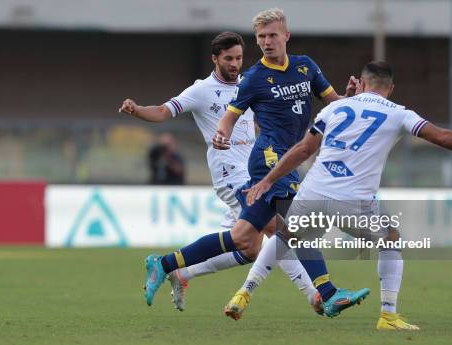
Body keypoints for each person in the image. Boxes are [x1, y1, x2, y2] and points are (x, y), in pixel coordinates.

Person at [240, 61, 452, 329]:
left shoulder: (336, 108)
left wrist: (267, 179)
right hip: (352, 200)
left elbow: (303, 149)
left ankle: (244, 293)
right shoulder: (399, 112)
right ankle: (388, 315)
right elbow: (442, 136)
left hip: (313, 192)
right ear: (391, 87)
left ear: (360, 83)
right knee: (390, 239)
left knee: (284, 238)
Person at [142, 8, 368, 320]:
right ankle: (326, 294)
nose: (266, 42)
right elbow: (229, 116)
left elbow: (335, 104)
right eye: (261, 37)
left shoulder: (306, 67)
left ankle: (166, 264)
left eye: (272, 35)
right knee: (295, 226)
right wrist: (221, 134)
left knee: (243, 239)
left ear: (286, 36)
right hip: (269, 160)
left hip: (287, 157)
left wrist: (350, 98)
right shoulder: (253, 78)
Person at [120, 31, 319, 312]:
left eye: (238, 57)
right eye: (228, 58)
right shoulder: (201, 90)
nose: (235, 63)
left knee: (249, 249)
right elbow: (164, 111)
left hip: (255, 172)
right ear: (215, 58)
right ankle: (315, 295)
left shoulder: (251, 83)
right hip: (229, 175)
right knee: (276, 227)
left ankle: (180, 271)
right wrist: (138, 110)